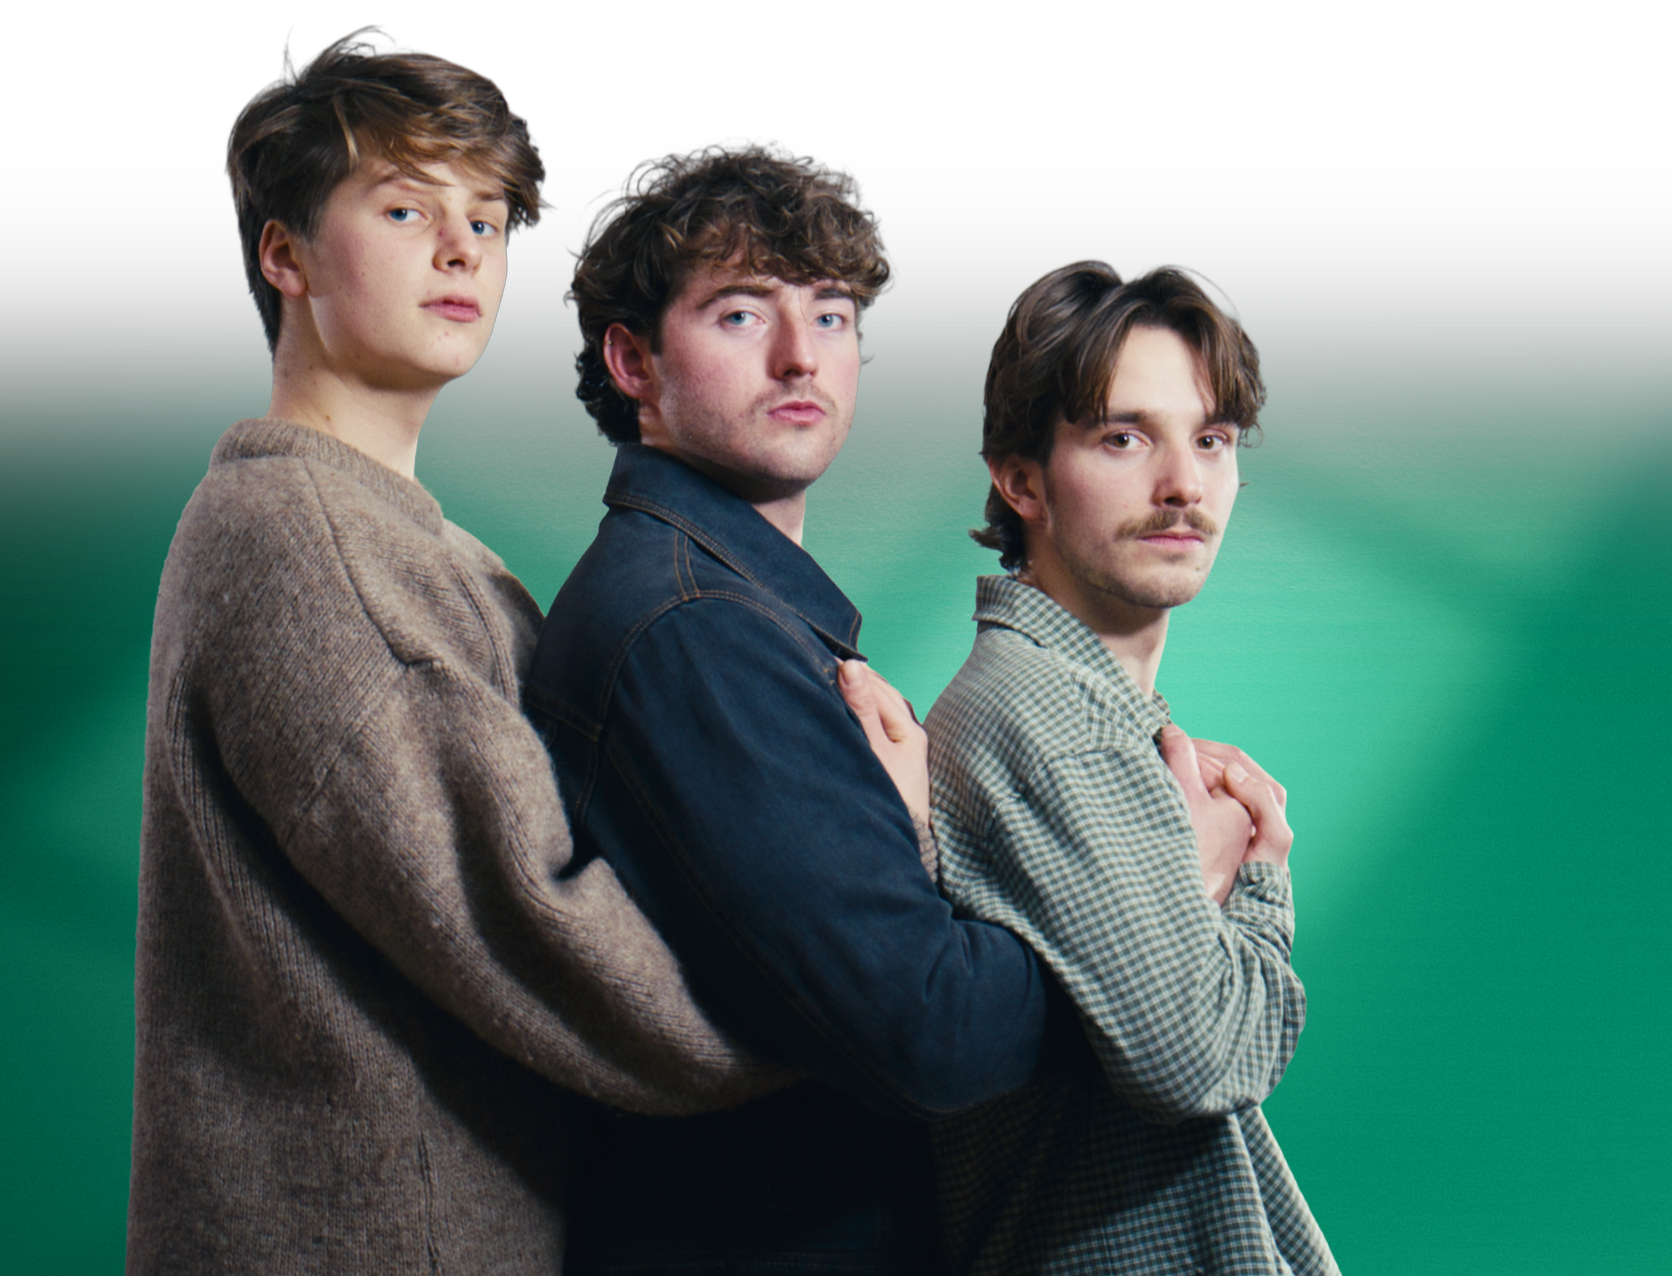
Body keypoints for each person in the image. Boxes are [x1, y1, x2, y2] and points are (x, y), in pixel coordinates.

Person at [129, 39, 909, 1274]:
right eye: (404, 210)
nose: (461, 251)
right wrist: (850, 996)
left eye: (486, 221)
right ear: (284, 253)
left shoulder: (429, 552)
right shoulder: (302, 541)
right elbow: (533, 928)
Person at [524, 146, 1085, 1276]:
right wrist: (1163, 908)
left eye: (830, 314)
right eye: (740, 315)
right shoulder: (694, 629)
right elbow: (934, 1030)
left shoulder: (731, 604)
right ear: (632, 359)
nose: (800, 357)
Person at [922, 261, 1334, 1274]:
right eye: (1123, 438)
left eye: (1211, 440)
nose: (1183, 485)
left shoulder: (1101, 716)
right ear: (1021, 479)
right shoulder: (1044, 715)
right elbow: (1201, 1057)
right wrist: (1254, 880)